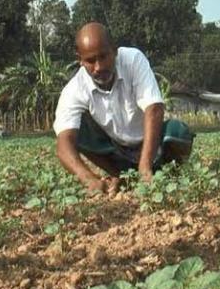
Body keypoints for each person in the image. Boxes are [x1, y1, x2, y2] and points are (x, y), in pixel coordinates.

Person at [53, 22, 195, 194]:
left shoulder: (133, 60)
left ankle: (168, 174)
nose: (98, 67)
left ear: (114, 50)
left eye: (103, 56)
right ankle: (120, 175)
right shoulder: (74, 89)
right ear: (80, 60)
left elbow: (154, 109)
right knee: (75, 132)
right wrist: (89, 178)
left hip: (152, 144)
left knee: (178, 133)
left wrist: (144, 166)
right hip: (116, 152)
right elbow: (63, 145)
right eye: (90, 61)